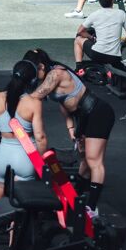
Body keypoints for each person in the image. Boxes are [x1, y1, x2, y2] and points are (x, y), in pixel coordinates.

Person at [25, 49, 114, 214]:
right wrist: (71, 127)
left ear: (41, 66)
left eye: (33, 70)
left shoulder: (56, 74)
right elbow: (63, 102)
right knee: (84, 161)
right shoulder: (51, 75)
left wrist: (9, 96)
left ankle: (92, 208)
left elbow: (36, 96)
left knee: (94, 160)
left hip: (98, 113)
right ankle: (77, 198)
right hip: (83, 116)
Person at [0, 60, 47, 247]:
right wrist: (39, 161)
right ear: (32, 81)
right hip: (24, 157)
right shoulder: (34, 103)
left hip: (3, 153)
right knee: (18, 206)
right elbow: (40, 137)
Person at [73, 0, 126, 70]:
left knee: (78, 39)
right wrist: (123, 44)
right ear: (112, 0)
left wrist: (91, 38)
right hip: (115, 57)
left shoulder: (95, 14)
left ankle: (79, 68)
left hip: (97, 55)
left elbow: (80, 31)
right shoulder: (121, 13)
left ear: (100, 2)